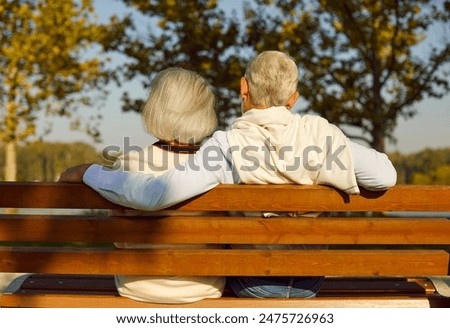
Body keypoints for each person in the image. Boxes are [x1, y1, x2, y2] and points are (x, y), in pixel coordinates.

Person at [60, 51, 397, 299]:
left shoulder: (227, 145)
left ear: (243, 88)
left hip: (252, 284)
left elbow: (155, 194)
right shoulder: (322, 136)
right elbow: (384, 176)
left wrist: (92, 171)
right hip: (310, 282)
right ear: (293, 98)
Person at [106, 67, 225, 304]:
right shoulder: (218, 169)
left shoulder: (127, 165)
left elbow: (118, 238)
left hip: (137, 287)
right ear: (205, 113)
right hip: (204, 288)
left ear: (155, 109)